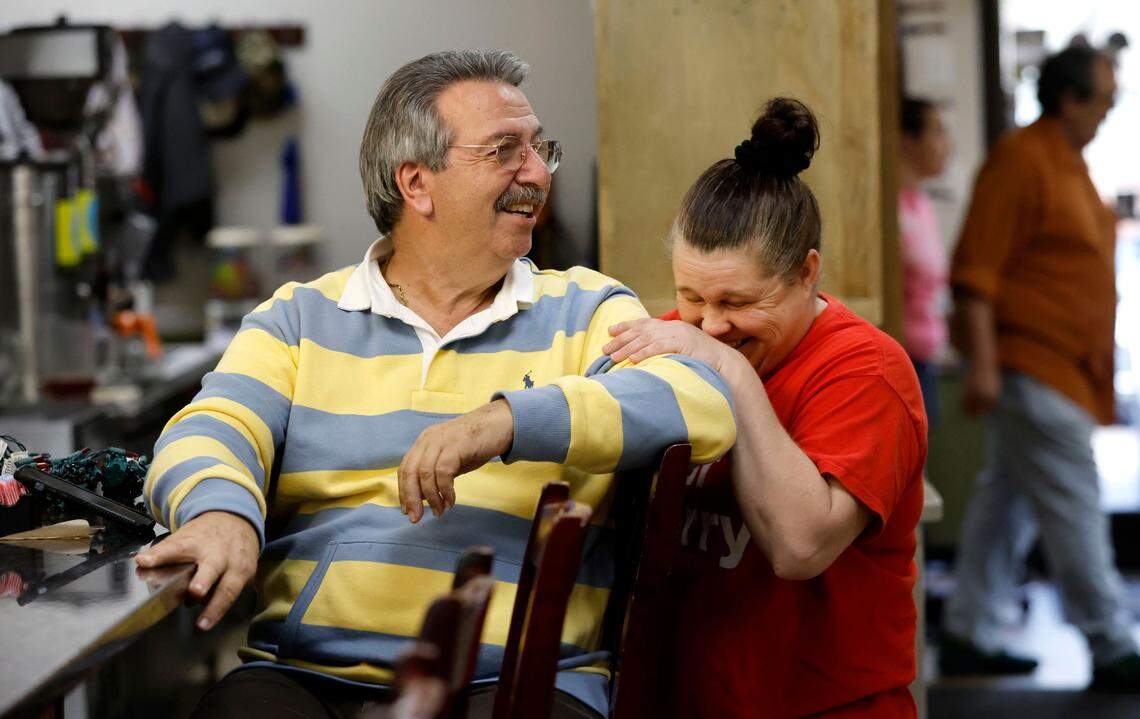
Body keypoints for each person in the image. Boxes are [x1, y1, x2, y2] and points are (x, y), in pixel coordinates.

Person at [134, 49, 737, 719]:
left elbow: (700, 401)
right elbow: (209, 427)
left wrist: (504, 421)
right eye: (505, 151)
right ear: (417, 184)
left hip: (520, 683)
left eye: (540, 149)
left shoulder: (586, 309)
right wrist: (219, 511)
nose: (538, 173)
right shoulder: (298, 319)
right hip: (307, 677)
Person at [604, 97, 927, 718]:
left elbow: (800, 547)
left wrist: (727, 372)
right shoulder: (678, 336)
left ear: (807, 273)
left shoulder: (867, 371)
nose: (711, 324)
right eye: (692, 296)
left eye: (739, 302)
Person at [940, 45, 1139, 689]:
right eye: (1105, 99)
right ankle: (1111, 641)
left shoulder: (1071, 165)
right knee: (1075, 499)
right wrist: (983, 365)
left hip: (1065, 371)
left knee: (1008, 502)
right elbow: (976, 272)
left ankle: (968, 630)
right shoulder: (1021, 159)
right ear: (1070, 99)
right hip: (1032, 365)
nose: (1109, 112)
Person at [898, 97, 951, 423]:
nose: (947, 145)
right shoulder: (894, 209)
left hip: (925, 357)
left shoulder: (920, 204)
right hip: (902, 356)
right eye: (937, 132)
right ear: (908, 140)